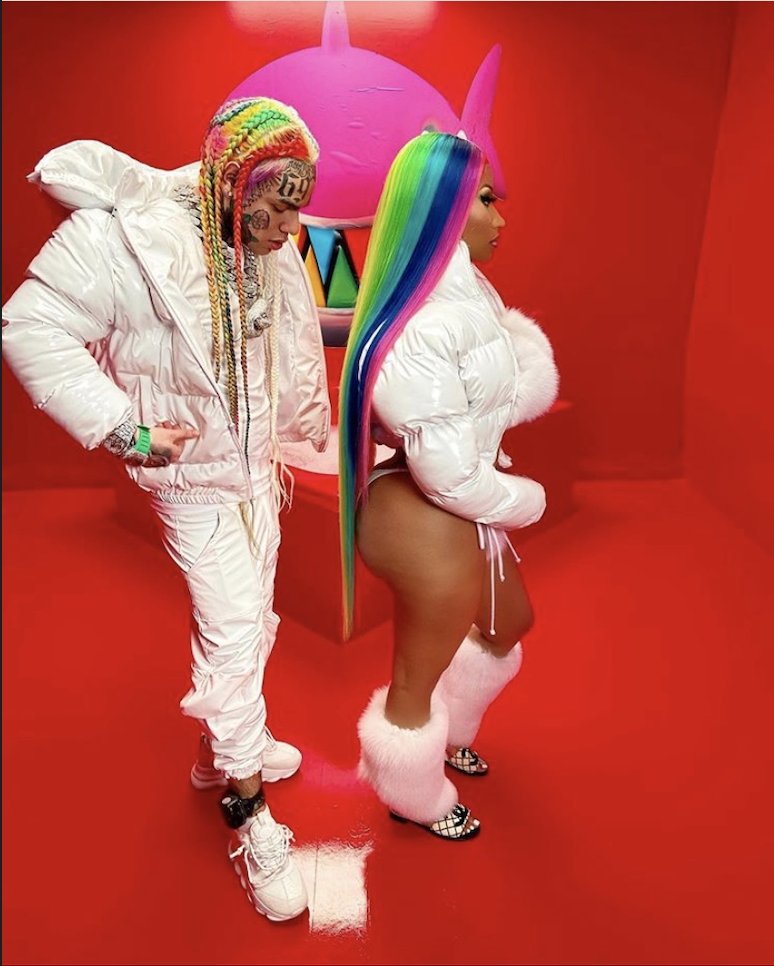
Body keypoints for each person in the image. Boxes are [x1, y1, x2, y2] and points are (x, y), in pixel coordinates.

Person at [2, 97, 330, 919]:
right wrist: (125, 428)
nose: (290, 226)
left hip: (257, 476)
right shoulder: (125, 238)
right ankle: (248, 814)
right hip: (191, 485)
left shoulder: (263, 239)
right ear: (231, 182)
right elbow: (30, 325)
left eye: (299, 204)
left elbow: (284, 345)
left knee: (251, 622)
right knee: (233, 630)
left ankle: (221, 751)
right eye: (277, 204)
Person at [338, 131, 559, 839]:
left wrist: (522, 363)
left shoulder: (467, 295)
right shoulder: (427, 320)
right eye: (486, 199)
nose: (501, 216)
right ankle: (411, 792)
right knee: (418, 674)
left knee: (507, 624)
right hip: (427, 507)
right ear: (448, 208)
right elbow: (448, 469)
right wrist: (525, 501)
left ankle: (452, 734)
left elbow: (480, 409)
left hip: (460, 498)